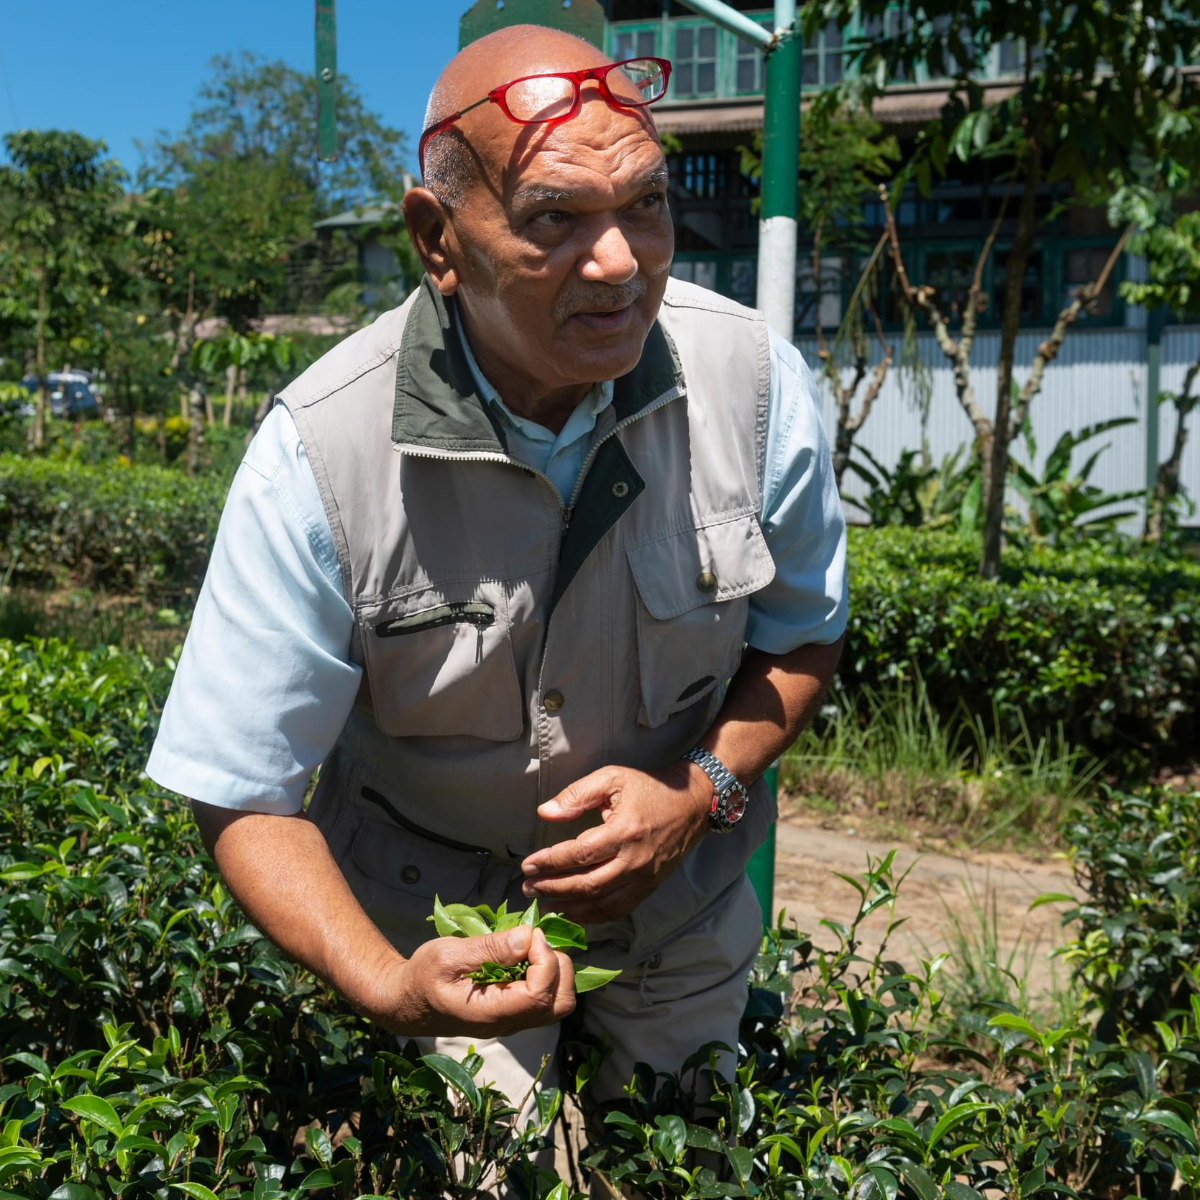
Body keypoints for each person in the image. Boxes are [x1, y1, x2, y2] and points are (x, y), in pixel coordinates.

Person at [146, 22, 846, 1138]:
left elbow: (802, 633)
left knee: (686, 1156)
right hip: (429, 925)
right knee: (483, 1164)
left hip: (678, 915)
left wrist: (700, 790)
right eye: (555, 219)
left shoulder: (755, 382)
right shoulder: (321, 450)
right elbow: (240, 788)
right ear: (438, 239)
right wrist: (386, 984)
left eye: (646, 204)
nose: (619, 262)